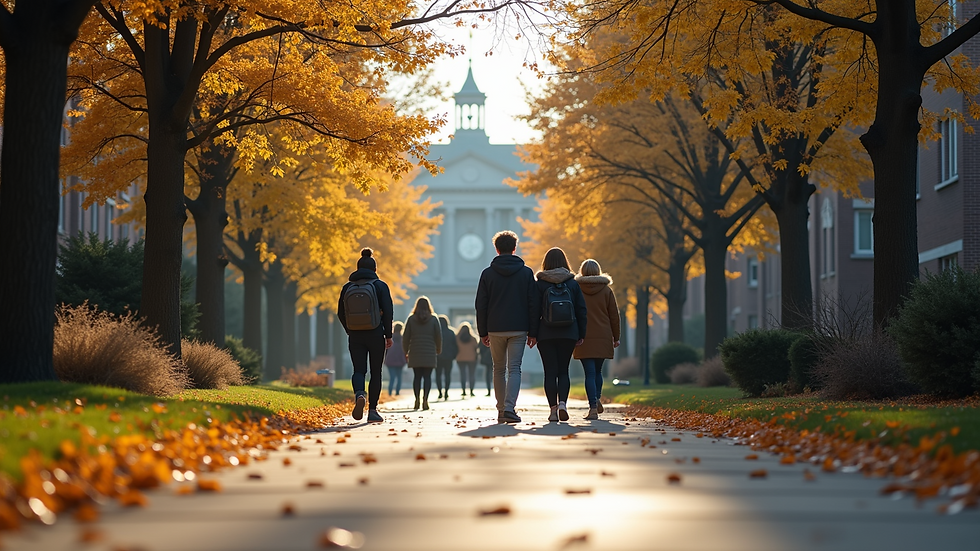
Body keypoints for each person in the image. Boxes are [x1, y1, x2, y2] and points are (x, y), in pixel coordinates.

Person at [475, 230, 540, 424]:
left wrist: (482, 332)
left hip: (495, 328)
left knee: (498, 369)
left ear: (496, 249)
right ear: (514, 248)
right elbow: (533, 303)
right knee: (514, 368)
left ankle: (501, 409)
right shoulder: (527, 273)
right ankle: (510, 408)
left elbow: (481, 305)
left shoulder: (487, 274)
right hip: (519, 328)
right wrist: (533, 331)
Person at [337, 248, 394, 424]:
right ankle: (373, 411)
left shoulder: (348, 287)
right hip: (376, 333)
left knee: (359, 370)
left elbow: (340, 312)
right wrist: (388, 335)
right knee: (376, 371)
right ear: (374, 270)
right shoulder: (380, 286)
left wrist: (350, 329)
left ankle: (360, 393)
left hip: (355, 335)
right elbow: (389, 312)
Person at [534, 247, 588, 422]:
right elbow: (581, 310)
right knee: (563, 370)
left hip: (545, 333)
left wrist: (532, 333)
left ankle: (553, 410)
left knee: (550, 372)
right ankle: (563, 403)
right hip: (569, 332)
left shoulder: (540, 283)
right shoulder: (573, 283)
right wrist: (581, 333)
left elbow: (534, 310)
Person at [574, 259, 621, 420]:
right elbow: (614, 316)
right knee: (598, 372)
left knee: (589, 373)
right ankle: (597, 399)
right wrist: (616, 337)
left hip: (584, 336)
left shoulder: (576, 289)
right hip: (603, 335)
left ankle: (593, 406)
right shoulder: (607, 291)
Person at [402, 296, 442, 411]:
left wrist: (405, 351)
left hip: (415, 351)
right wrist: (438, 349)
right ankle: (425, 400)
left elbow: (406, 337)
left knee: (417, 377)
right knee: (427, 377)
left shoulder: (411, 319)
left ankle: (417, 400)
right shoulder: (434, 319)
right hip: (429, 352)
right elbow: (438, 336)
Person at [435, 315, 459, 400]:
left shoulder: (436, 332)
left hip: (438, 357)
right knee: (447, 375)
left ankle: (440, 392)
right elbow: (455, 345)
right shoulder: (451, 332)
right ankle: (446, 392)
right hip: (449, 357)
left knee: (438, 375)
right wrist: (454, 355)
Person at [456, 322, 479, 397]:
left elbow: (455, 347)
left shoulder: (457, 338)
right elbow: (476, 348)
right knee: (471, 375)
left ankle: (463, 391)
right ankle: (471, 391)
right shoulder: (473, 338)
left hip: (460, 358)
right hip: (472, 359)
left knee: (463, 374)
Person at [385, 322, 406, 396]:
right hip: (400, 361)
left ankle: (390, 392)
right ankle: (397, 392)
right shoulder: (403, 339)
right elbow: (405, 350)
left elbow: (386, 350)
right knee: (399, 377)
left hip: (390, 360)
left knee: (392, 377)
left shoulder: (390, 338)